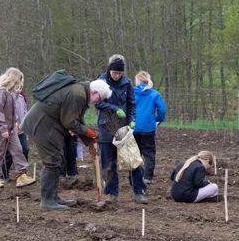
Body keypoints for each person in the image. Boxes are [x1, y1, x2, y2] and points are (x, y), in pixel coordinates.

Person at [20, 77, 110, 211]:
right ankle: (47, 201)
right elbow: (70, 123)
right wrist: (91, 133)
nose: (98, 102)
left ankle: (53, 197)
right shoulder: (77, 95)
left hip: (48, 126)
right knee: (52, 161)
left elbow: (77, 121)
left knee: (58, 160)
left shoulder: (81, 93)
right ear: (94, 93)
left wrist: (89, 142)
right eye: (99, 99)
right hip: (42, 125)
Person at [95, 55, 147, 205]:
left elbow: (131, 103)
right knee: (109, 162)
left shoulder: (127, 83)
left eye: (120, 73)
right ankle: (112, 193)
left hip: (124, 127)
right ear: (109, 70)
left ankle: (138, 191)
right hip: (106, 127)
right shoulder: (101, 82)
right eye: (115, 73)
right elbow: (98, 103)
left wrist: (132, 119)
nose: (117, 76)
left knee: (133, 159)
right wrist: (114, 108)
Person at [0, 68, 36, 189]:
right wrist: (3, 129)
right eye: (20, 82)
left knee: (18, 150)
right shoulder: (1, 93)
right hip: (0, 129)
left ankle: (21, 176)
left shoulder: (10, 94)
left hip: (11, 129)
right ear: (14, 80)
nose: (21, 85)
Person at [133, 71, 166, 184]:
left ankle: (134, 178)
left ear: (138, 81)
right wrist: (158, 120)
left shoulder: (131, 93)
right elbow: (162, 109)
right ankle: (148, 177)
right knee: (149, 153)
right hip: (148, 128)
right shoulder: (154, 94)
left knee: (135, 153)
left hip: (134, 127)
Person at [1, 87, 30, 182]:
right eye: (17, 87)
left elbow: (25, 112)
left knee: (25, 150)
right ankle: (3, 175)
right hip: (11, 131)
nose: (19, 89)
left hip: (21, 131)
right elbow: (8, 114)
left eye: (21, 87)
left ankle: (23, 174)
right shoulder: (9, 97)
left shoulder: (21, 98)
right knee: (9, 154)